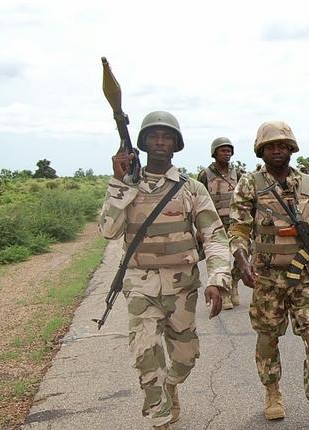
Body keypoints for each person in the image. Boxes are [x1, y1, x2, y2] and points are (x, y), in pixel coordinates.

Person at [100, 111, 231, 430]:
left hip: (183, 288)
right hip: (141, 287)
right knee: (145, 354)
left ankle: (172, 385)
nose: (160, 141)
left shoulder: (192, 188)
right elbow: (108, 230)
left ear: (176, 143)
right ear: (143, 142)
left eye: (167, 136)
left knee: (185, 359)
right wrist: (120, 182)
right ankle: (159, 418)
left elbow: (214, 235)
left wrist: (217, 277)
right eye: (154, 136)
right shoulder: (127, 186)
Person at [228, 121, 309, 430]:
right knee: (268, 339)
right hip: (267, 279)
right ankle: (272, 393)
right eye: (271, 145)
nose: (277, 149)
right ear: (261, 150)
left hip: (307, 277)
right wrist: (242, 262)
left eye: (283, 145)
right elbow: (239, 229)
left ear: (292, 148)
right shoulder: (250, 184)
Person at [197, 137, 243, 310]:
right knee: (219, 259)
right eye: (223, 150)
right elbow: (197, 201)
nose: (227, 153)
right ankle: (224, 295)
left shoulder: (237, 174)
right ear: (215, 153)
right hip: (213, 226)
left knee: (243, 254)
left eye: (229, 150)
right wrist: (198, 228)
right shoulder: (205, 175)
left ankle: (234, 281)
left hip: (234, 223)